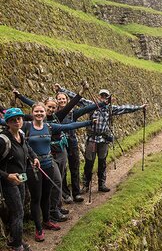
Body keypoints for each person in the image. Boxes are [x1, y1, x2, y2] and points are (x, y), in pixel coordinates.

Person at [1, 103, 95, 242]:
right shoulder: (25, 126)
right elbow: (5, 120)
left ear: (45, 113)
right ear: (32, 113)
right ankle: (38, 229)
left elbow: (68, 126)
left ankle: (46, 221)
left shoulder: (49, 126)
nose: (39, 113)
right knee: (36, 198)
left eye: (41, 111)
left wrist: (89, 122)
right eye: (36, 111)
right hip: (33, 169)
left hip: (48, 165)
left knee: (46, 196)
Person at [14, 85, 87, 222]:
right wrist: (20, 97)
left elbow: (71, 112)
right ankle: (51, 212)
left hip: (56, 153)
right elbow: (20, 112)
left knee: (58, 181)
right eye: (48, 107)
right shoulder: (32, 120)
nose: (49, 110)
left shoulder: (56, 117)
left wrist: (87, 121)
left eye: (53, 107)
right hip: (40, 159)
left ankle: (55, 208)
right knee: (52, 184)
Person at [57, 85, 146, 192]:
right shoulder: (91, 104)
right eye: (102, 96)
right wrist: (61, 90)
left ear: (108, 97)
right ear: (99, 97)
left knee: (102, 162)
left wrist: (140, 107)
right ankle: (86, 185)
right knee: (89, 162)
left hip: (104, 139)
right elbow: (76, 99)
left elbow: (125, 108)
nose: (103, 97)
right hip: (92, 139)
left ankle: (101, 184)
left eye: (106, 96)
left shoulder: (111, 108)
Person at [54, 90, 107, 203]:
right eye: (59, 99)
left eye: (64, 99)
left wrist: (103, 104)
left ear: (67, 101)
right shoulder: (53, 115)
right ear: (56, 101)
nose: (62, 100)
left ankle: (76, 193)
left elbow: (87, 108)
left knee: (74, 167)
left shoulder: (73, 113)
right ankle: (65, 194)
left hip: (72, 142)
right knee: (62, 169)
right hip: (59, 145)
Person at [0, 108, 38, 251]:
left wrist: (34, 157)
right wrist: (7, 176)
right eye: (13, 120)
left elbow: (27, 148)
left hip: (21, 178)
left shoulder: (20, 135)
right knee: (18, 212)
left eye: (19, 118)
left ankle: (16, 239)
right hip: (9, 182)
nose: (17, 121)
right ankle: (17, 245)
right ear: (7, 123)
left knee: (19, 210)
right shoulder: (3, 140)